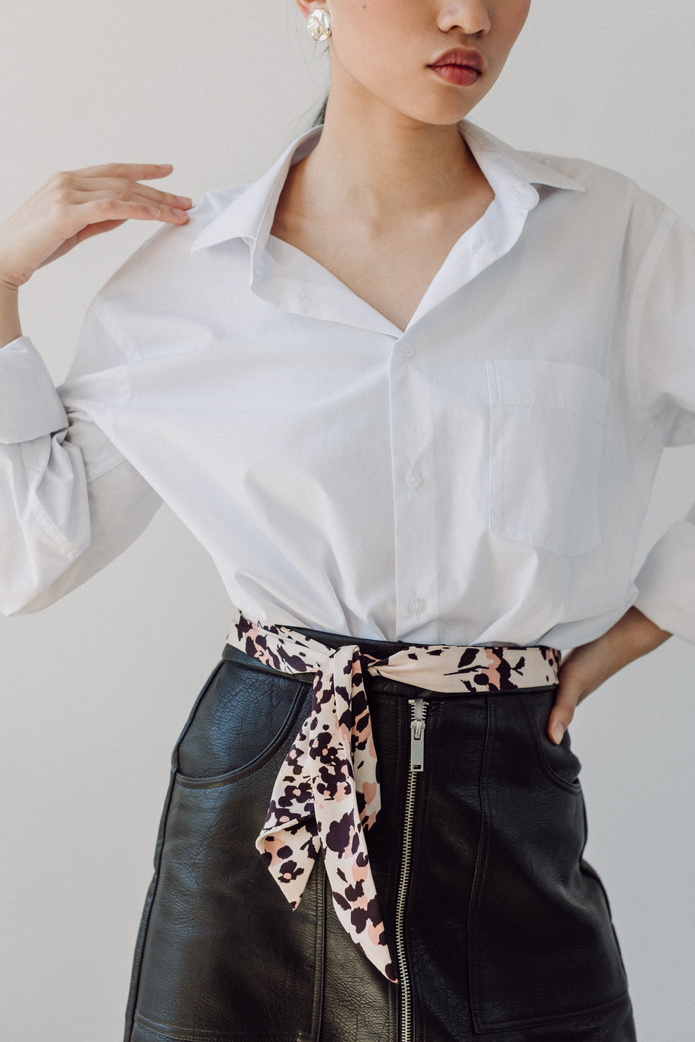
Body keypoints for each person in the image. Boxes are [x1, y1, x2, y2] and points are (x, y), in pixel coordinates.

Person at [0, 0, 691, 1039]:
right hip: (258, 796)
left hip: (508, 793)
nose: (469, 15)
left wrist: (645, 621)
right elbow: (27, 555)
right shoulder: (185, 286)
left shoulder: (611, 237)